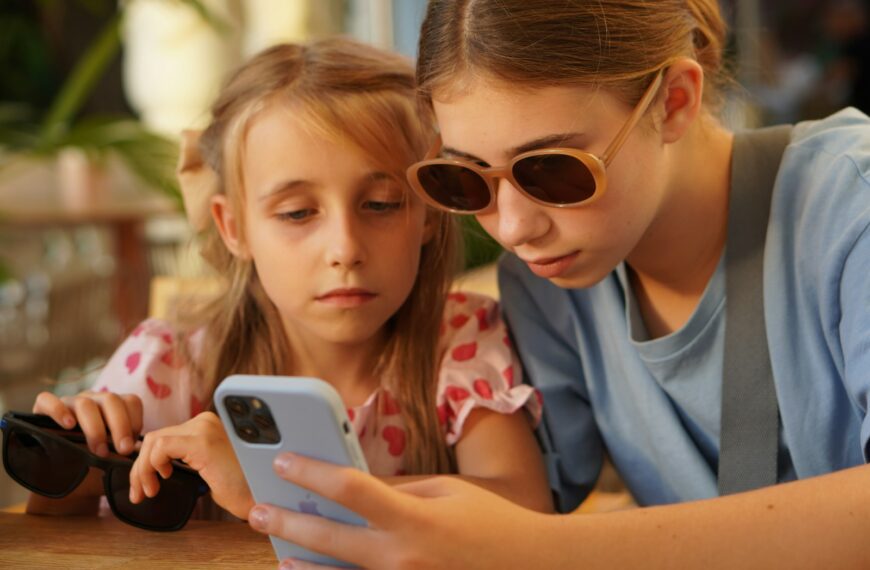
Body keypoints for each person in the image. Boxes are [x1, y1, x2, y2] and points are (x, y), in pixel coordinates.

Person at [246, 1, 870, 568]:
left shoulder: (851, 205)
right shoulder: (549, 289)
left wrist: (542, 550)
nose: (513, 228)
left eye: (552, 170)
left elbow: (522, 536)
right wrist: (262, 482)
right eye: (467, 181)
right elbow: (502, 513)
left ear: (674, 102)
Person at [27, 37, 553, 522]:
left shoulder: (457, 341)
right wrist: (73, 463)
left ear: (429, 216)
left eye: (381, 204)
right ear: (234, 227)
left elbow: (523, 505)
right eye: (298, 213)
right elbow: (59, 533)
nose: (345, 249)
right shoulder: (171, 363)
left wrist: (272, 488)